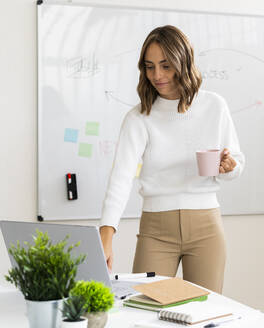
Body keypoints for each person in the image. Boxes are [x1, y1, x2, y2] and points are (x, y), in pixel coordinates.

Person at [98, 25, 245, 293]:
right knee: (144, 309)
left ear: (183, 62)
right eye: (150, 66)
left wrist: (229, 166)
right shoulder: (139, 117)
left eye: (166, 66)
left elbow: (235, 162)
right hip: (156, 229)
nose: (157, 75)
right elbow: (121, 177)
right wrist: (106, 233)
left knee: (204, 313)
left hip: (206, 227)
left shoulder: (214, 105)